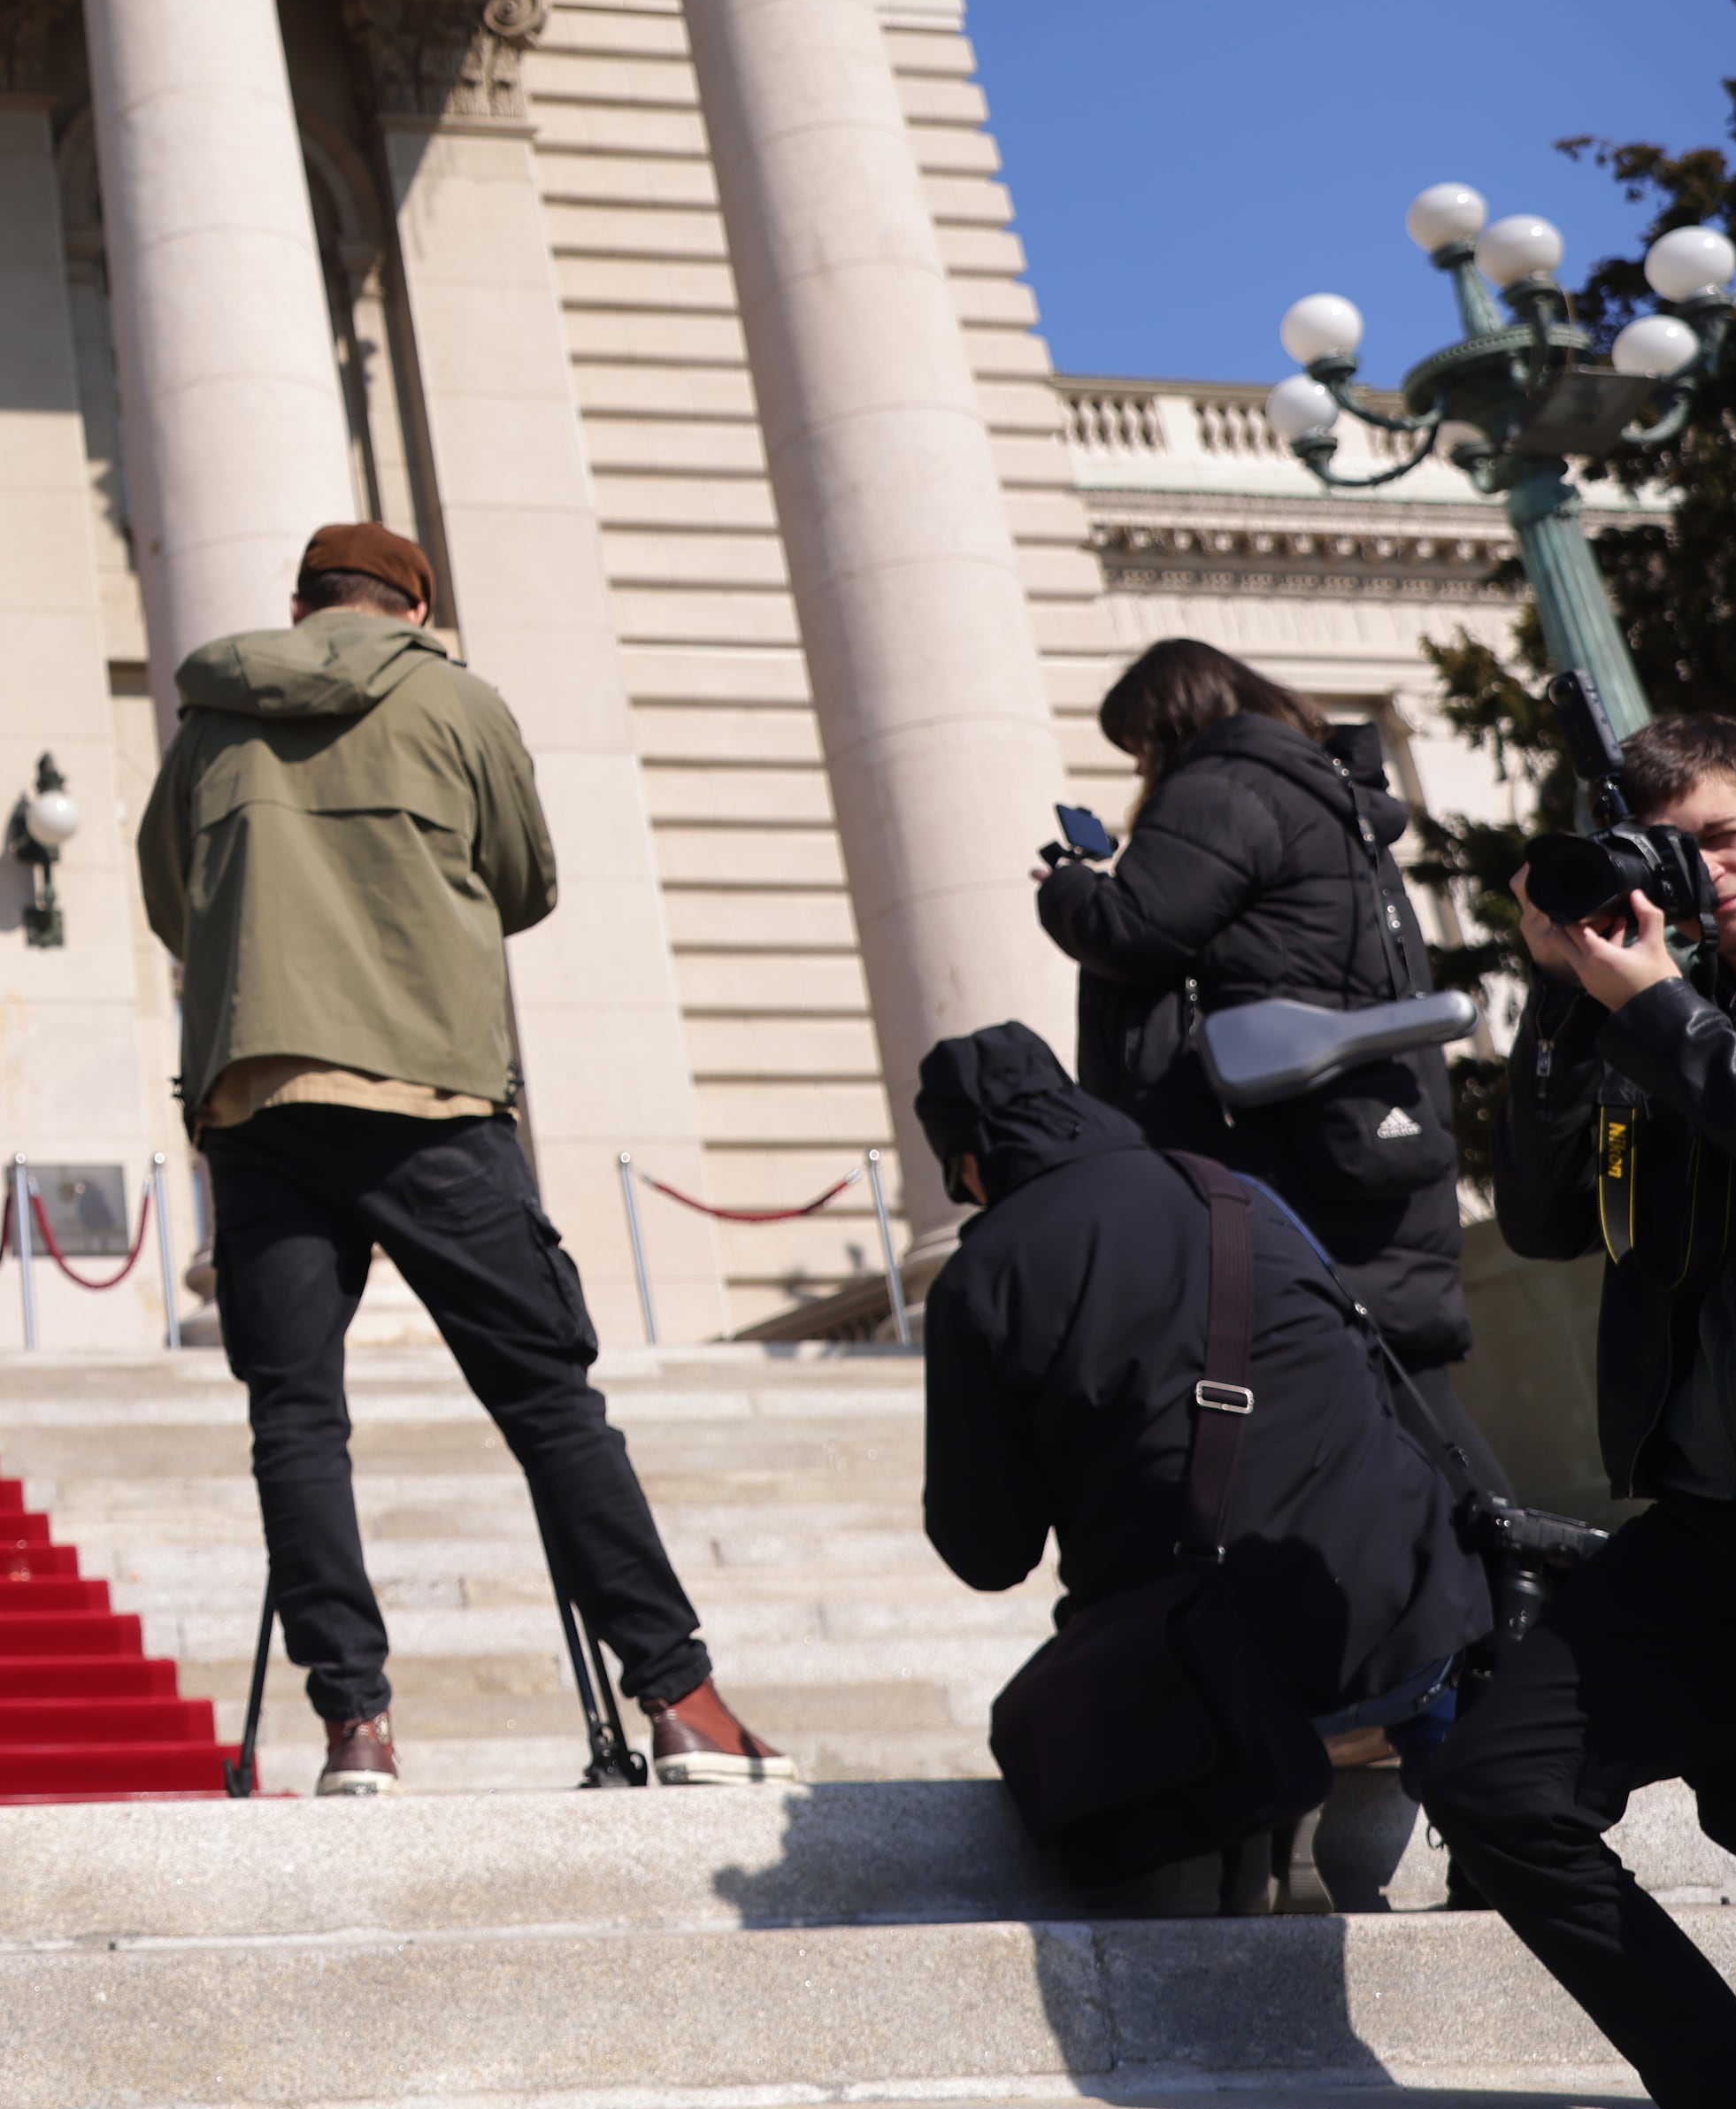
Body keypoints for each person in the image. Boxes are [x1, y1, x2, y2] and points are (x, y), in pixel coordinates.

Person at [140, 519, 793, 1797]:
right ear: (413, 607)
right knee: (549, 1400)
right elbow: (525, 880)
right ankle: (681, 1700)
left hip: (260, 1094)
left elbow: (174, 898)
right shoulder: (457, 700)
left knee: (296, 1418)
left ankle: (355, 1727)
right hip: (428, 1089)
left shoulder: (210, 714)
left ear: (302, 605)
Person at [1425, 709, 1736, 2109]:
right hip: (1711, 1528)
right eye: (1667, 853)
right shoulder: (1650, 1008)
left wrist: (1658, 1006)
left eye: (1724, 838)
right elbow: (1550, 1217)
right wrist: (1566, 990)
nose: (1699, 875)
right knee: (1500, 1788)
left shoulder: (1677, 1013)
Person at [915, 1024, 1486, 1801]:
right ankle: (1470, 1807)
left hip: (1220, 1675)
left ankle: (1246, 1828)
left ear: (971, 1159)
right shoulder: (1235, 1193)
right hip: (1413, 1625)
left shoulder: (981, 1278)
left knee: (1054, 1720)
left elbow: (986, 1552)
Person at [1032, 639, 1488, 1478]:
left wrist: (1067, 885)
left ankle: (1498, 1556)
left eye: (1140, 744)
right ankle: (1494, 1553)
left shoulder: (1222, 787)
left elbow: (1133, 928)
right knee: (1400, 1389)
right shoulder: (1326, 790)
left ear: (1170, 722)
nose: (1141, 767)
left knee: (1362, 1405)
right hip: (1362, 1118)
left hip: (1280, 1137)